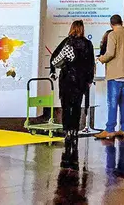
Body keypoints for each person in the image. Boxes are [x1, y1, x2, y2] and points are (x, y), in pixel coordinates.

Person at [50, 20, 95, 168]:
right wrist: (89, 80)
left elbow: (54, 58)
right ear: (82, 29)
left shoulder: (67, 41)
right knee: (76, 106)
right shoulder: (88, 44)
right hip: (81, 81)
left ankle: (67, 131)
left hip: (66, 80)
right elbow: (91, 64)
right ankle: (75, 131)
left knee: (66, 105)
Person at [95, 14, 124, 140]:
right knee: (123, 102)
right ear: (122, 22)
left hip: (115, 74)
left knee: (112, 102)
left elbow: (110, 53)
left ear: (111, 24)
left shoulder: (112, 35)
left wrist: (101, 59)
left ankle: (110, 129)